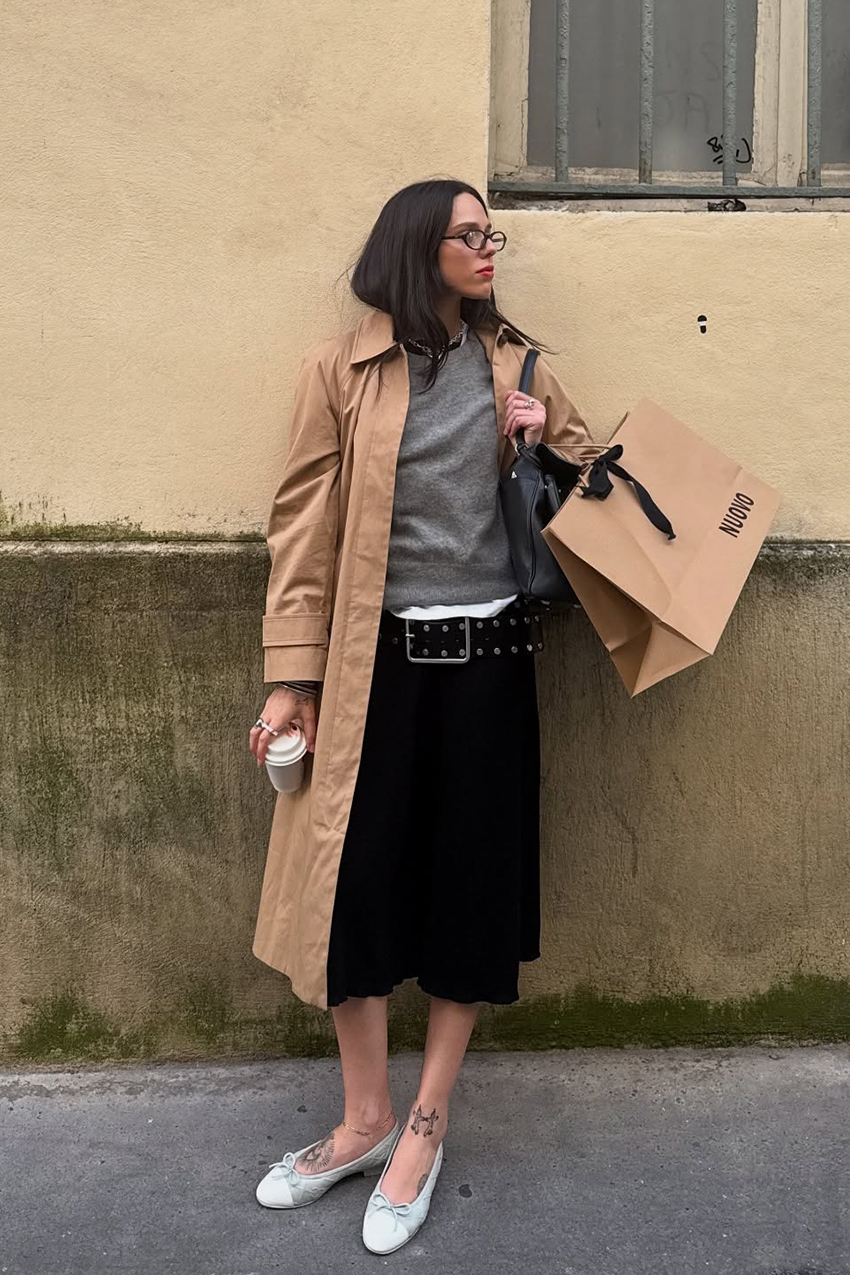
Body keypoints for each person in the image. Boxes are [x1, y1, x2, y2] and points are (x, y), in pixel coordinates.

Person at [247, 178, 604, 1254]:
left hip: (491, 664)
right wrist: (289, 678)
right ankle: (362, 1118)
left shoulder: (520, 363)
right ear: (417, 246)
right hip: (373, 671)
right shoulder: (341, 370)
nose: (486, 248)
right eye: (466, 234)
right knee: (349, 893)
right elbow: (300, 530)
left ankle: (427, 1120)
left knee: (468, 893)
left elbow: (596, 497)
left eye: (490, 232)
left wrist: (546, 443)